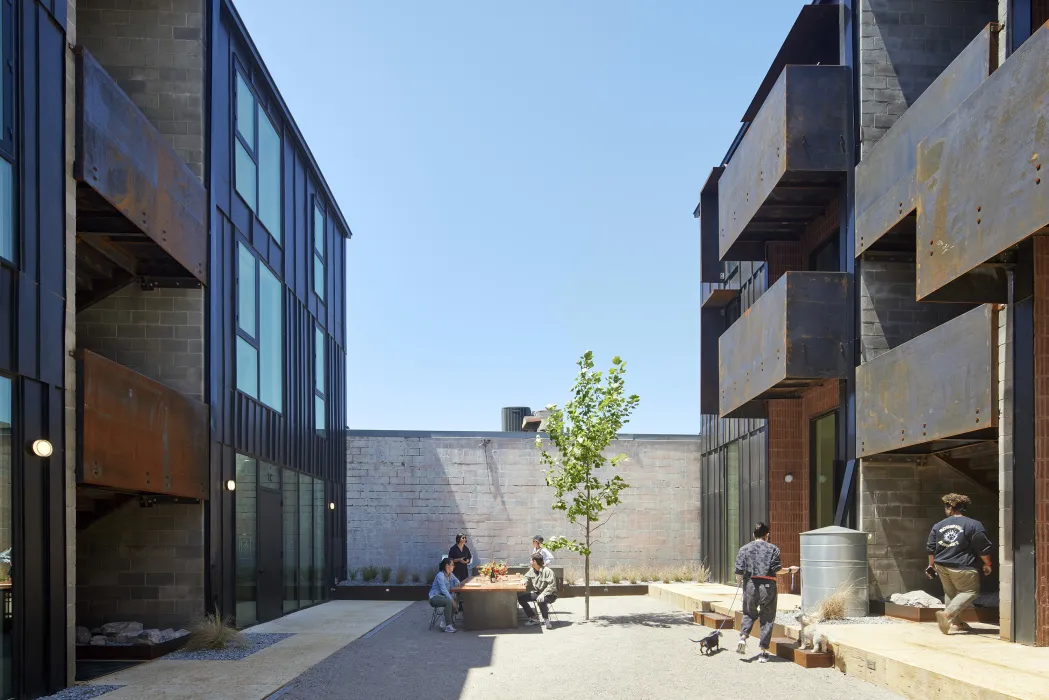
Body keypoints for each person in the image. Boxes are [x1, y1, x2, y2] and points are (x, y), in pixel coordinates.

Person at [925, 493, 993, 635]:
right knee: (970, 591)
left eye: (946, 507)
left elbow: (931, 547)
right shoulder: (974, 525)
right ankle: (947, 615)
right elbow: (983, 547)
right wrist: (988, 563)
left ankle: (954, 623)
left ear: (950, 507)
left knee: (950, 593)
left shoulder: (938, 526)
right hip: (963, 566)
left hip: (941, 565)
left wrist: (931, 566)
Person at [734, 522, 797, 662]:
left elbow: (738, 572)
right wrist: (791, 570)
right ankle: (763, 652)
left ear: (753, 535)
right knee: (767, 618)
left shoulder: (744, 549)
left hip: (750, 585)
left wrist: (741, 584)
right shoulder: (773, 549)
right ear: (767, 536)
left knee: (749, 613)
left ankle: (743, 638)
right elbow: (777, 570)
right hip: (768, 586)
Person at [518, 553, 558, 629]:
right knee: (521, 598)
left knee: (540, 600)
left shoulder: (548, 571)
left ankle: (546, 620)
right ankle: (533, 618)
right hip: (539, 593)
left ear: (534, 562)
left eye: (531, 560)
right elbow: (527, 577)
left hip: (551, 594)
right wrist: (524, 580)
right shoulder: (532, 570)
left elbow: (552, 585)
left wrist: (543, 594)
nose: (530, 562)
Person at [428, 557, 460, 633]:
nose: (454, 566)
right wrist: (452, 601)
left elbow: (457, 581)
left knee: (455, 599)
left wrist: (456, 583)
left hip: (443, 597)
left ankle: (445, 622)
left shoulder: (450, 574)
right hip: (434, 597)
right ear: (447, 566)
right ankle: (448, 626)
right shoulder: (440, 575)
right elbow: (444, 590)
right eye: (452, 565)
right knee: (449, 601)